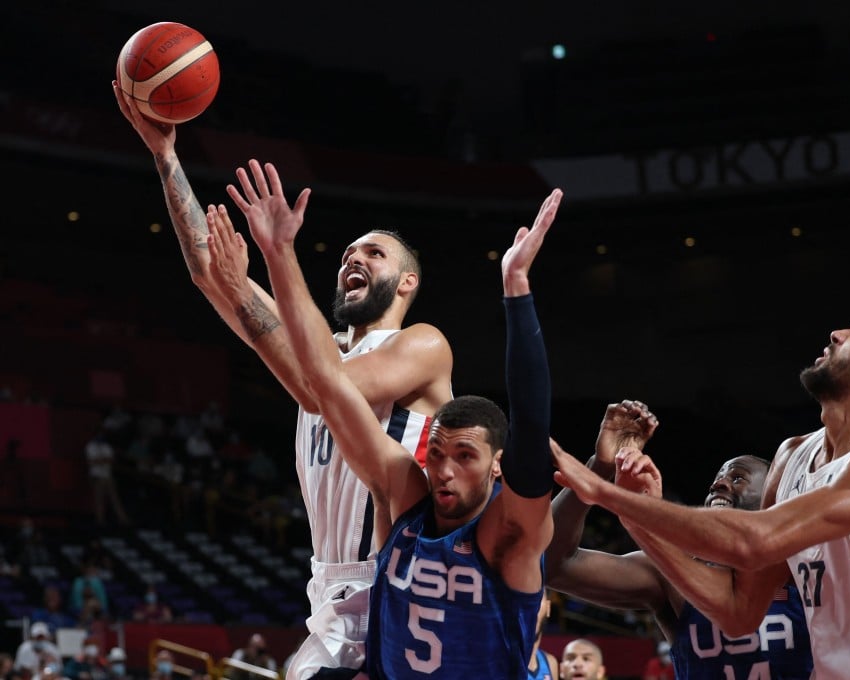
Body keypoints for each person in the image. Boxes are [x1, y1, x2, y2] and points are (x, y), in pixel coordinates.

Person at [113, 87, 453, 680]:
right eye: (349, 250)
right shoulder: (314, 346)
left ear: (406, 283)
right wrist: (166, 155)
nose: (354, 257)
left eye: (374, 254)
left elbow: (322, 389)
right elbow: (206, 271)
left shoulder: (422, 343)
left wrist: (268, 265)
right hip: (328, 579)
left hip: (395, 575)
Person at [249, 172, 561, 677]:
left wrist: (517, 290)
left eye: (463, 456)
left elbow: (531, 417)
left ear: (498, 467)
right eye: (434, 454)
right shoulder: (404, 518)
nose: (441, 469)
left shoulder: (509, 534)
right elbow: (329, 390)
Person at [552, 307, 850, 679]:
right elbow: (738, 613)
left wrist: (607, 495)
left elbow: (755, 540)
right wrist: (636, 514)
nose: (837, 334)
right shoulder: (792, 455)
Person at [546, 402, 813, 679]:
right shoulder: (670, 570)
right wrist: (600, 467)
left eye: (738, 478)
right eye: (718, 478)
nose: (718, 484)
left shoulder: (804, 567)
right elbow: (551, 565)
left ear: (773, 496)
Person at [527, 590, 558, 680]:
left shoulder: (550, 662)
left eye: (537, 597)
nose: (531, 607)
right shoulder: (495, 660)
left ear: (548, 608)